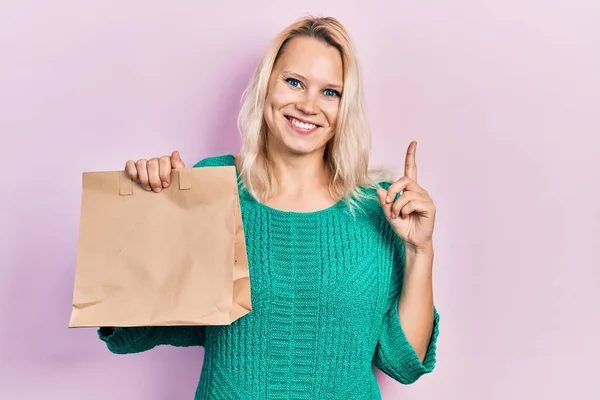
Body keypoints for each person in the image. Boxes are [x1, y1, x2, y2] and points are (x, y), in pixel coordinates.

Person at [98, 15, 440, 399]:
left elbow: (403, 362)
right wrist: (150, 210)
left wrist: (419, 249)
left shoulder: (378, 206)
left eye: (331, 92)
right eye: (294, 82)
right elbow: (133, 331)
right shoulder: (214, 184)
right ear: (266, 85)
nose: (309, 105)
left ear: (346, 107)